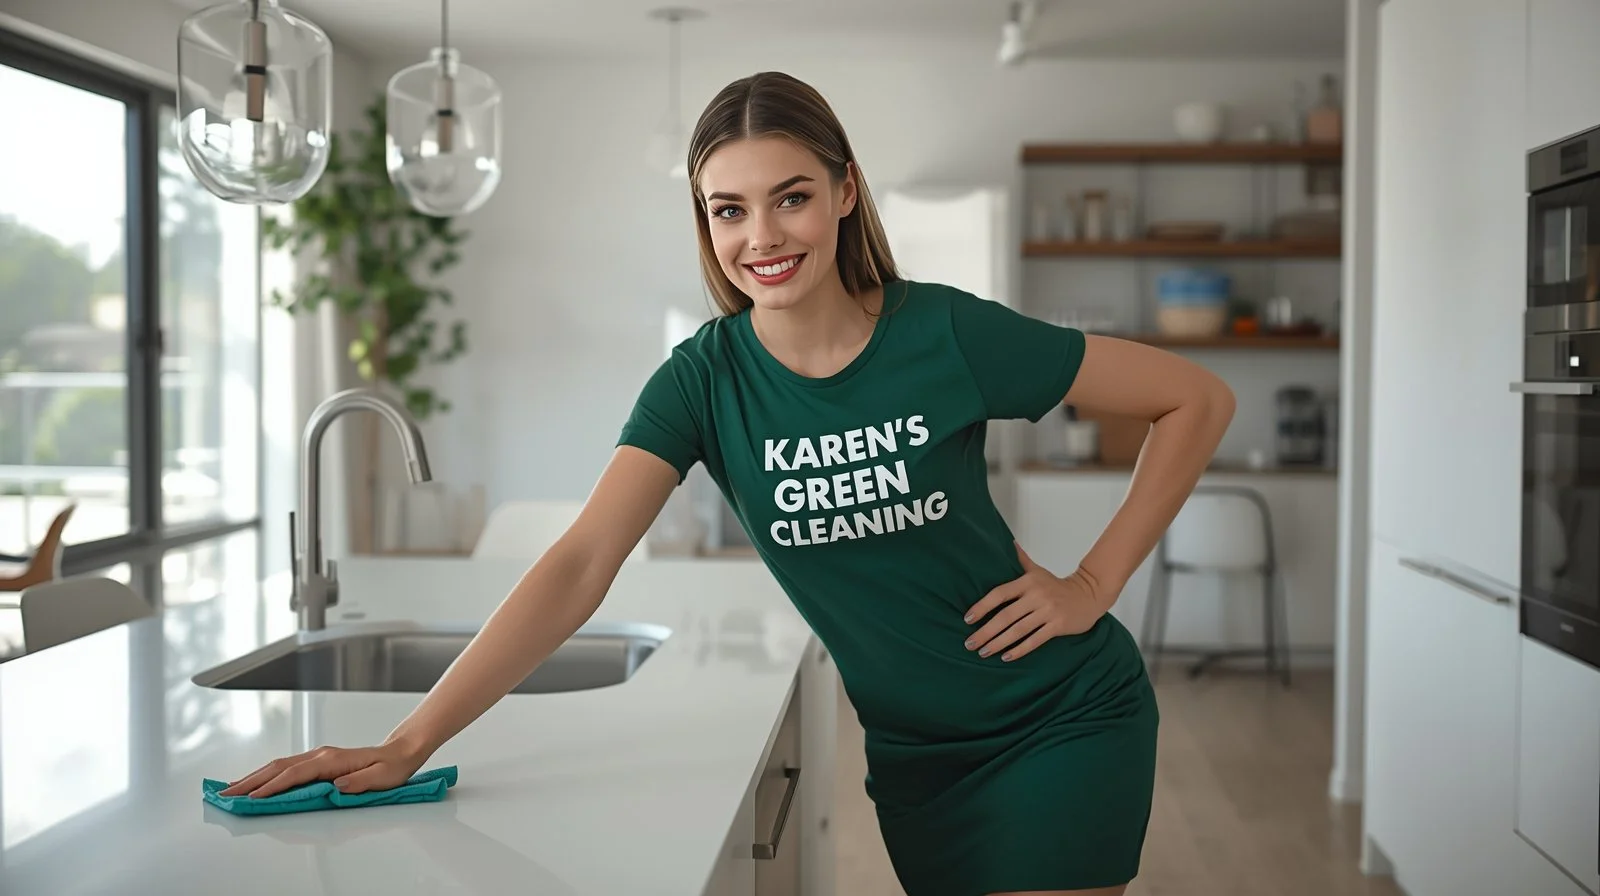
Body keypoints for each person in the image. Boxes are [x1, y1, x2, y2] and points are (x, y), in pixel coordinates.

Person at [222, 71, 1235, 896]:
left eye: (790, 195)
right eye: (729, 209)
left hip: (1054, 717)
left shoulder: (946, 334)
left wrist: (1094, 582)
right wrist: (408, 741)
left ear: (844, 190)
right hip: (917, 756)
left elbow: (1193, 397)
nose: (763, 237)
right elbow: (579, 560)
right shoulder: (703, 381)